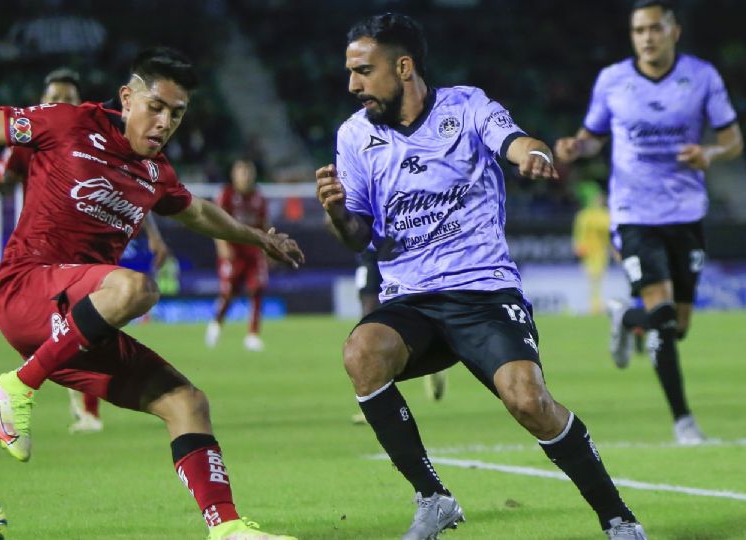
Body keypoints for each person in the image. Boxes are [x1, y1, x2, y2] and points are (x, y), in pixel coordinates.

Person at [0, 47, 301, 540]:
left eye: (177, 113)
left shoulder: (156, 173)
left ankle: (228, 529)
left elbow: (199, 213)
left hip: (78, 322)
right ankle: (16, 386)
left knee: (186, 401)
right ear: (126, 98)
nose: (165, 122)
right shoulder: (66, 123)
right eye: (156, 106)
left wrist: (258, 237)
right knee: (135, 286)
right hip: (26, 288)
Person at [316, 14, 646, 540]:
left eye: (363, 70)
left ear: (403, 67)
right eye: (350, 71)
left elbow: (516, 141)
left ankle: (618, 518)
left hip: (483, 290)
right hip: (411, 299)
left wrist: (532, 155)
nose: (352, 84)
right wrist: (336, 214)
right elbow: (358, 235)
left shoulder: (466, 107)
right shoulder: (355, 137)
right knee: (361, 352)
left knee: (528, 401)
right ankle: (433, 497)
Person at [554, 0, 742, 445]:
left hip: (686, 212)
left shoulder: (701, 77)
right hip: (634, 212)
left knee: (676, 324)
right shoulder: (613, 81)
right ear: (633, 35)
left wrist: (710, 153)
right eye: (639, 30)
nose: (646, 38)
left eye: (655, 28)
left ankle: (627, 317)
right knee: (661, 308)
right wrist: (574, 148)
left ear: (673, 31)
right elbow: (593, 139)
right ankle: (684, 422)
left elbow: (732, 138)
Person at [0, 68, 171, 435]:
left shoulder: (95, 139)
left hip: (90, 255)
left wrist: (155, 236)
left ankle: (62, 401)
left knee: (91, 325)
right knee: (76, 328)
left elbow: (132, 192)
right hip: (44, 255)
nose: (61, 103)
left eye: (68, 97)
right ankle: (41, 392)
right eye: (54, 96)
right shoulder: (31, 140)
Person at [351, 248, 447, 424]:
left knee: (413, 308)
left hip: (399, 247)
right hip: (370, 251)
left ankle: (433, 354)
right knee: (367, 315)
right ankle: (375, 403)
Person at [205, 158, 269, 352]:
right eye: (242, 172)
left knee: (257, 289)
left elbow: (264, 225)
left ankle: (252, 335)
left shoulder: (259, 198)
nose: (246, 176)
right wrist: (222, 246)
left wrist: (268, 249)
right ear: (234, 174)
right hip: (233, 252)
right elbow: (216, 222)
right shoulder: (226, 195)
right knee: (229, 292)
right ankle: (216, 324)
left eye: (249, 172)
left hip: (253, 251)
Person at [571, 183, 611, 315]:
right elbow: (579, 234)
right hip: (588, 252)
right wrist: (578, 246)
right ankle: (593, 305)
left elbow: (609, 235)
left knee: (598, 278)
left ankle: (596, 305)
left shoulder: (605, 215)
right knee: (592, 278)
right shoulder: (584, 215)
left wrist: (612, 249)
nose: (599, 200)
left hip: (601, 252)